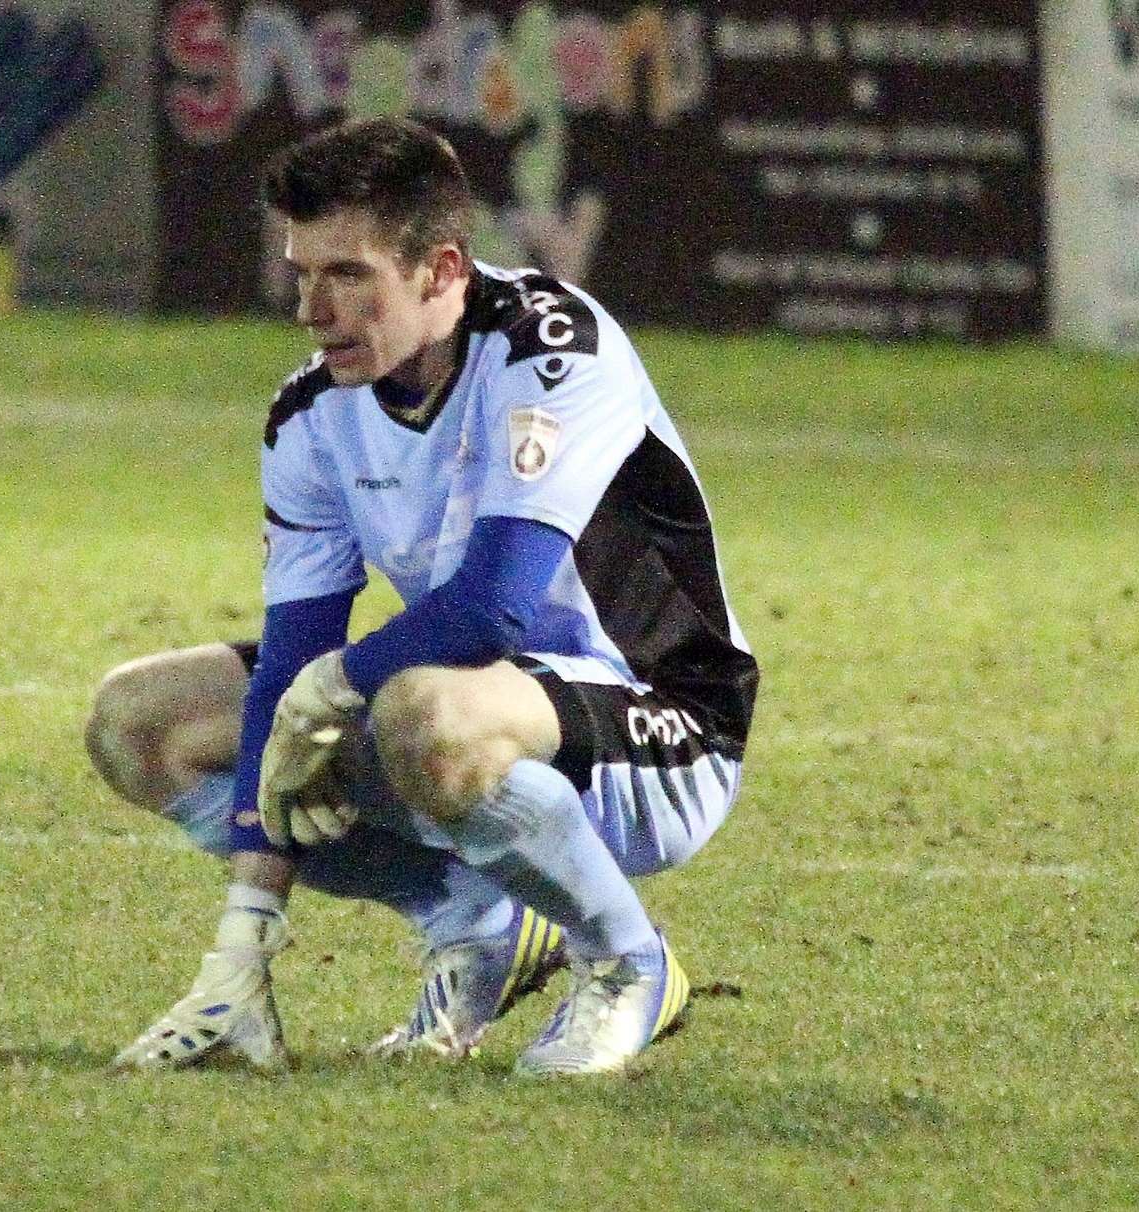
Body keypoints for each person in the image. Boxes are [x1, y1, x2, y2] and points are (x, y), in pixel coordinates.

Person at [92, 116, 758, 1076]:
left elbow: (496, 608)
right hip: (470, 708)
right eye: (302, 271)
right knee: (144, 723)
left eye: (347, 274)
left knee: (413, 710)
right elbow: (294, 659)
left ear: (441, 270)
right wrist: (242, 944)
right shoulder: (310, 416)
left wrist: (326, 697)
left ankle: (624, 961)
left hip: (666, 729)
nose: (312, 309)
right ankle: (482, 923)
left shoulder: (551, 348)